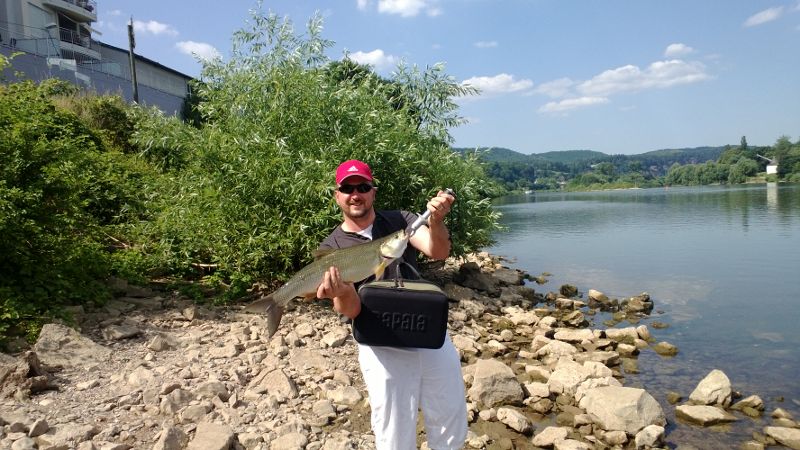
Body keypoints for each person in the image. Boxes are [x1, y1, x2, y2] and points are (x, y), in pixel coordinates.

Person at [315, 159, 467, 450]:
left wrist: (436, 221)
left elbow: (438, 251)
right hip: (379, 341)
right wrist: (342, 292)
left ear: (373, 192)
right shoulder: (332, 247)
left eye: (363, 187)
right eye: (347, 188)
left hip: (428, 330)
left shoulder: (401, 221)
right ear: (337, 195)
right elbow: (350, 311)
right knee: (393, 433)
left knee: (450, 418)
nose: (355, 194)